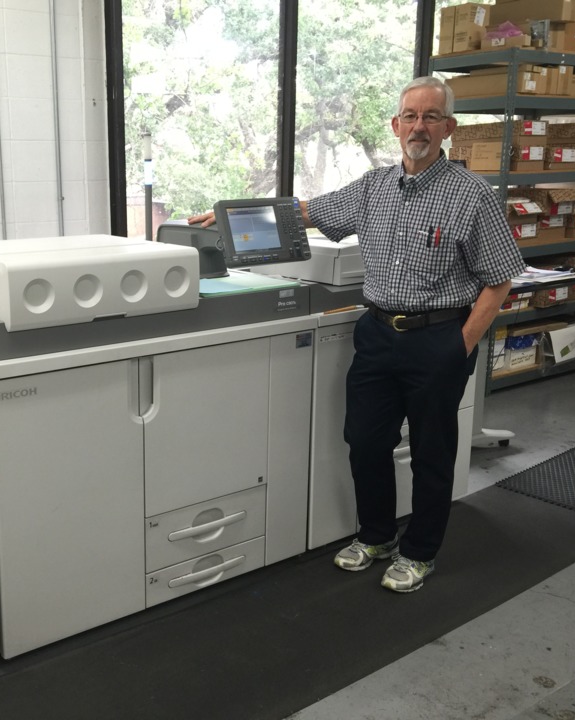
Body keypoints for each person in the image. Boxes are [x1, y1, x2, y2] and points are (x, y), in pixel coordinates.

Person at [189, 76, 525, 592]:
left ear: (448, 128)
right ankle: (376, 536)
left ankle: (419, 552)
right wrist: (231, 217)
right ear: (395, 125)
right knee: (365, 442)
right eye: (410, 116)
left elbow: (500, 279)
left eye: (431, 116)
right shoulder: (373, 187)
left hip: (438, 338)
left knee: (433, 453)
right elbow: (307, 211)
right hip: (376, 334)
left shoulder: (472, 195)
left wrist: (460, 344)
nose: (419, 126)